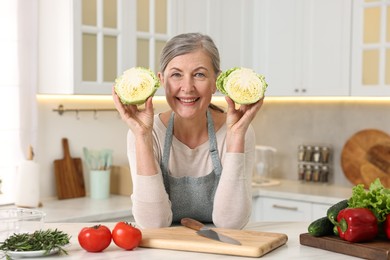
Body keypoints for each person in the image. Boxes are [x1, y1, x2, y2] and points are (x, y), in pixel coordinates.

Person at [113, 32, 263, 229]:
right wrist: (142, 137)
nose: (187, 87)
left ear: (216, 82)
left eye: (199, 74)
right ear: (162, 80)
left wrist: (235, 137)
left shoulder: (238, 131)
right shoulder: (145, 133)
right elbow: (152, 224)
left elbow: (231, 223)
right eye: (176, 75)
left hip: (218, 248)